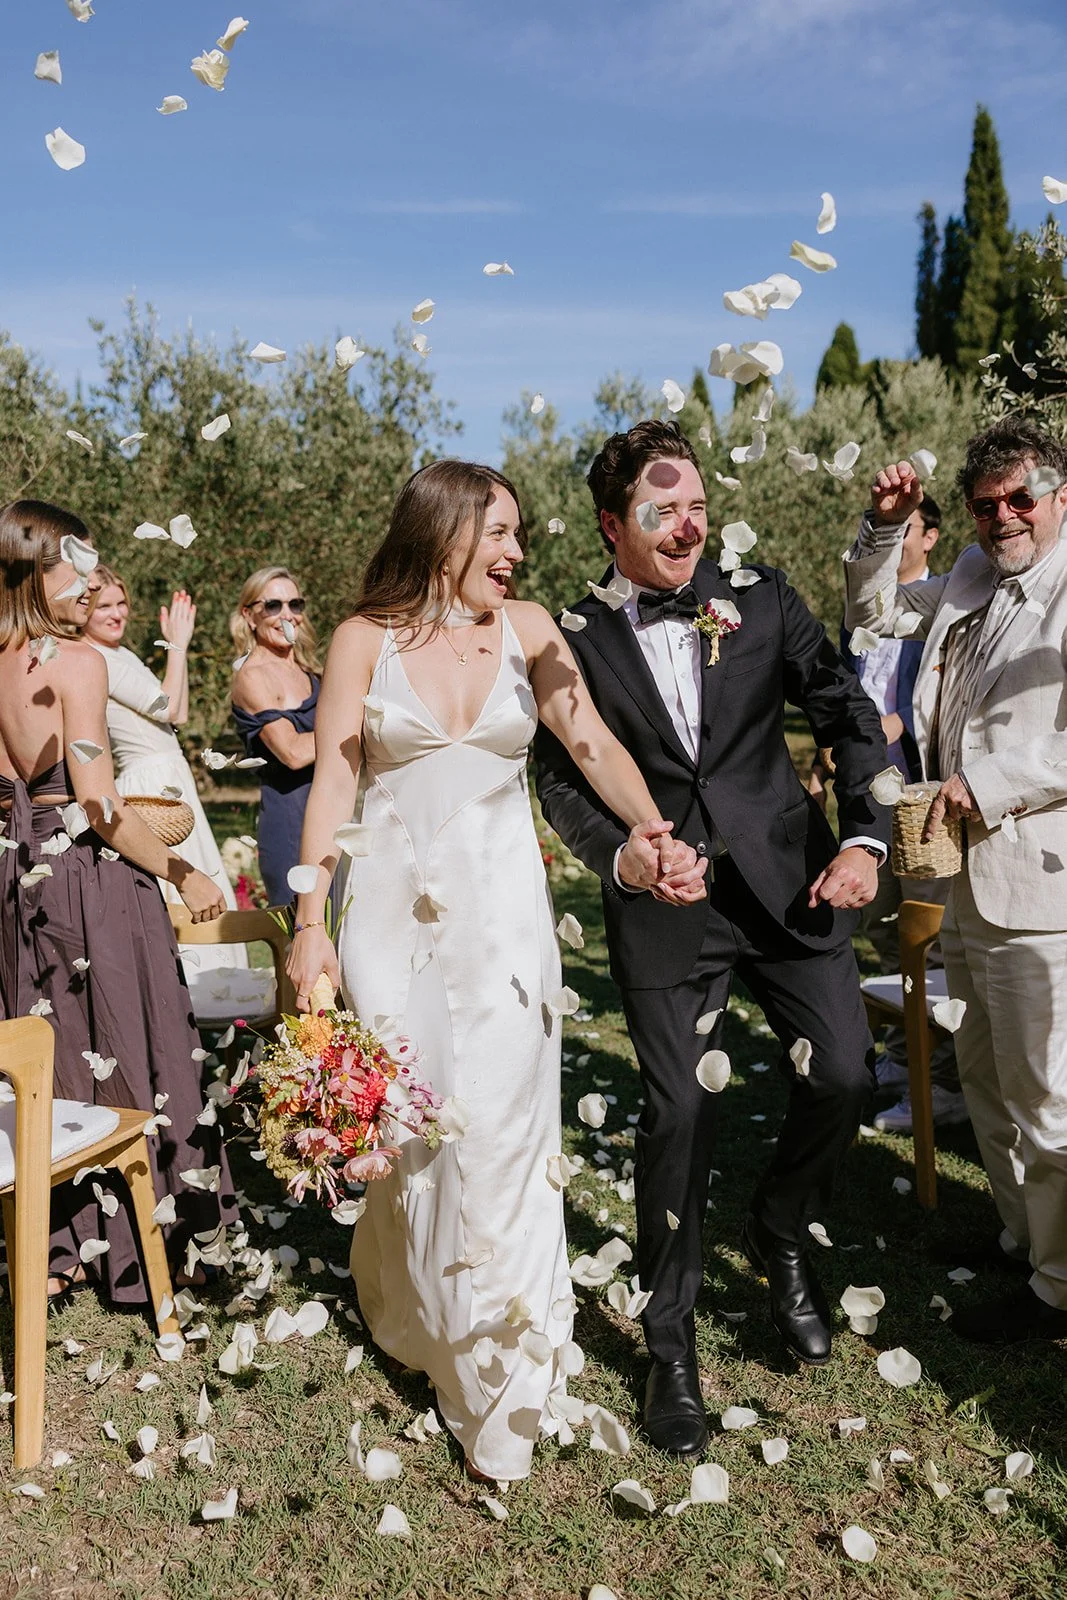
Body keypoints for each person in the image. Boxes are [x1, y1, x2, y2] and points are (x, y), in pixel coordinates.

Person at [285, 459, 703, 1482]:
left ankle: (496, 1376)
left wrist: (650, 831)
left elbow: (588, 738)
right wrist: (309, 922)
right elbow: (335, 775)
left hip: (509, 920)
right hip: (392, 918)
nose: (518, 553)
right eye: (502, 533)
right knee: (420, 1125)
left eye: (518, 535)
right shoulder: (359, 642)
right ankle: (424, 1315)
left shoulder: (527, 630)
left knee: (507, 1127)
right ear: (445, 531)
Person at [535, 420, 890, 1458]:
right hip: (664, 909)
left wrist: (865, 836)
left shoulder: (764, 596)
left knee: (841, 1072)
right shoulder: (572, 636)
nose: (688, 524)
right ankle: (668, 1342)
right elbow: (559, 777)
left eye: (695, 504)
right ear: (612, 525)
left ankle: (778, 1231)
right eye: (661, 510)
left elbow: (844, 711)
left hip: (789, 886)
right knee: (677, 1111)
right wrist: (623, 855)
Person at [844, 416, 1067, 1344]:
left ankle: (1059, 1289)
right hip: (959, 872)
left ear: (1060, 496)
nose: (1001, 517)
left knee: (1046, 1092)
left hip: (1041, 876)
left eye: (1021, 498)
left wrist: (993, 784)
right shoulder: (972, 575)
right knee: (980, 1074)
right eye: (984, 505)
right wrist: (883, 529)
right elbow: (870, 615)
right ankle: (1023, 1243)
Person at [0, 500, 236, 1304]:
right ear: (36, 568)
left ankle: (60, 1246)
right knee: (140, 1039)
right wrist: (181, 871)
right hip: (88, 878)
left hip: (13, 881)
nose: (91, 580)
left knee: (54, 1049)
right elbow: (100, 803)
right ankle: (156, 1237)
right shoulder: (76, 661)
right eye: (77, 563)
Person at [811, 497, 964, 1135]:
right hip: (869, 792)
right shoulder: (865, 615)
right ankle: (906, 1061)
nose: (897, 542)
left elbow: (941, 690)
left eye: (907, 531)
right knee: (878, 929)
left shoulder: (946, 604)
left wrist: (889, 727)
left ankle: (947, 1083)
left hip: (922, 789)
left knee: (927, 937)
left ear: (930, 537)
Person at [83, 566, 247, 982]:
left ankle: (216, 990)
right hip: (149, 785)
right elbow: (168, 708)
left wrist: (179, 649)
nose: (117, 613)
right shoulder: (98, 658)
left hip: (171, 775)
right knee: (177, 886)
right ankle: (190, 990)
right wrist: (176, 645)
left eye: (122, 603)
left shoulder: (122, 654)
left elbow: (181, 711)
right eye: (104, 605)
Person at [230, 567, 325, 908]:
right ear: (249, 615)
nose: (287, 615)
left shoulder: (311, 672)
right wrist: (351, 724)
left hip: (331, 814)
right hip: (290, 823)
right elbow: (293, 753)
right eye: (273, 605)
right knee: (302, 944)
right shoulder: (252, 677)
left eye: (295, 604)